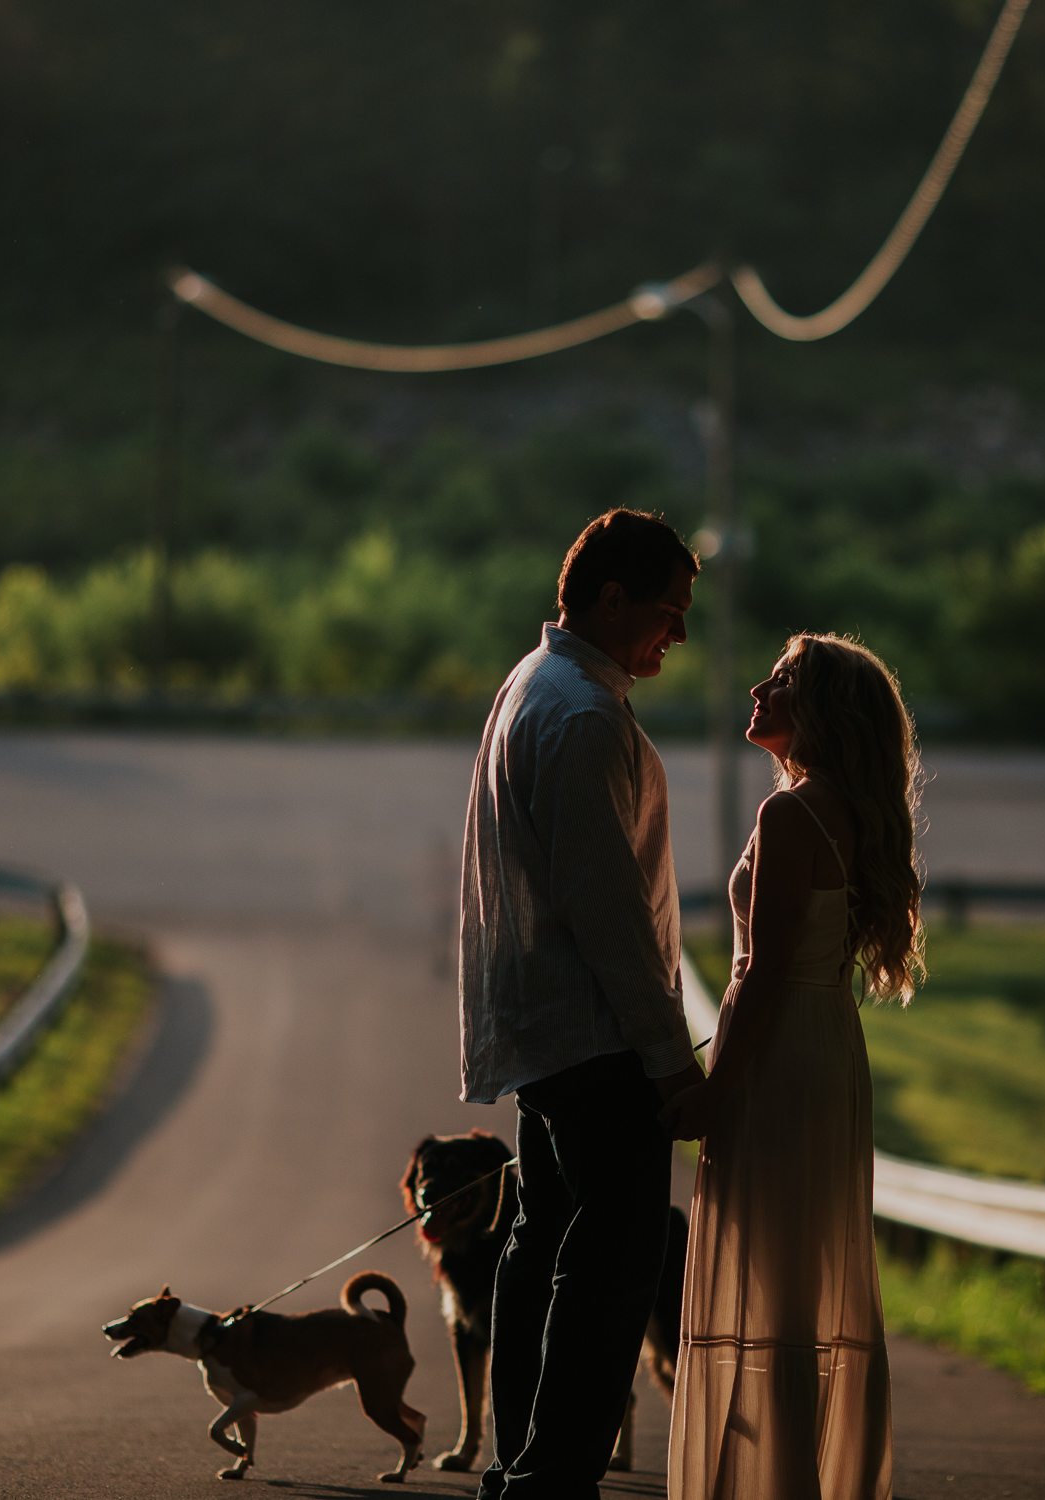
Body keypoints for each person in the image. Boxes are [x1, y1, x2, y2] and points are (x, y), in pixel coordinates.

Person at [456, 507, 707, 1499]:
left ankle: (520, 1467)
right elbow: (610, 914)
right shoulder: (583, 715)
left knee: (542, 1245)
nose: (677, 635)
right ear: (613, 597)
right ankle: (553, 1481)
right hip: (595, 1034)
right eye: (669, 610)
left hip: (547, 1029)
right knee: (614, 1262)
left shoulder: (537, 684)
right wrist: (670, 1058)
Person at [661, 633, 923, 1500]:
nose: (756, 687)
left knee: (768, 1284)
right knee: (803, 1286)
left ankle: (765, 1483)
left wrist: (710, 1093)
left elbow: (762, 970)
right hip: (830, 1047)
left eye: (782, 681)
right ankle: (800, 1478)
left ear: (823, 713)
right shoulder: (854, 810)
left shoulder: (791, 813)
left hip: (776, 1055)